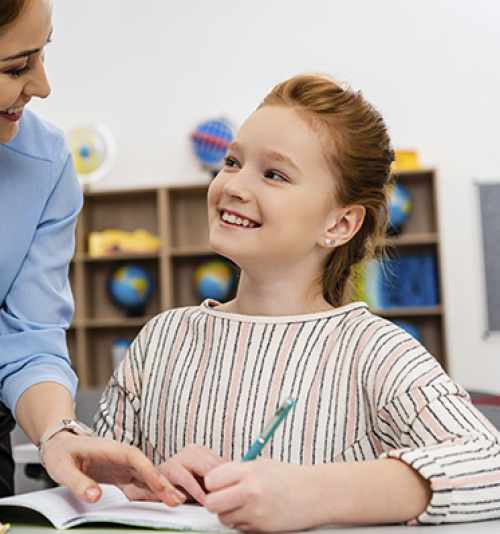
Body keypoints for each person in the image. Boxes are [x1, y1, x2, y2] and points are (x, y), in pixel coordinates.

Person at [93, 73, 500, 531]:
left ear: (341, 223)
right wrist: (143, 485)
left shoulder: (371, 349)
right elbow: (92, 488)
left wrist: (313, 493)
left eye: (274, 174)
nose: (234, 186)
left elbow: (491, 464)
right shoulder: (163, 337)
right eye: (231, 161)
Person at [0, 0, 186, 507]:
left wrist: (58, 433)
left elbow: (28, 338)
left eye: (42, 54)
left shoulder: (44, 164)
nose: (42, 86)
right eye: (17, 66)